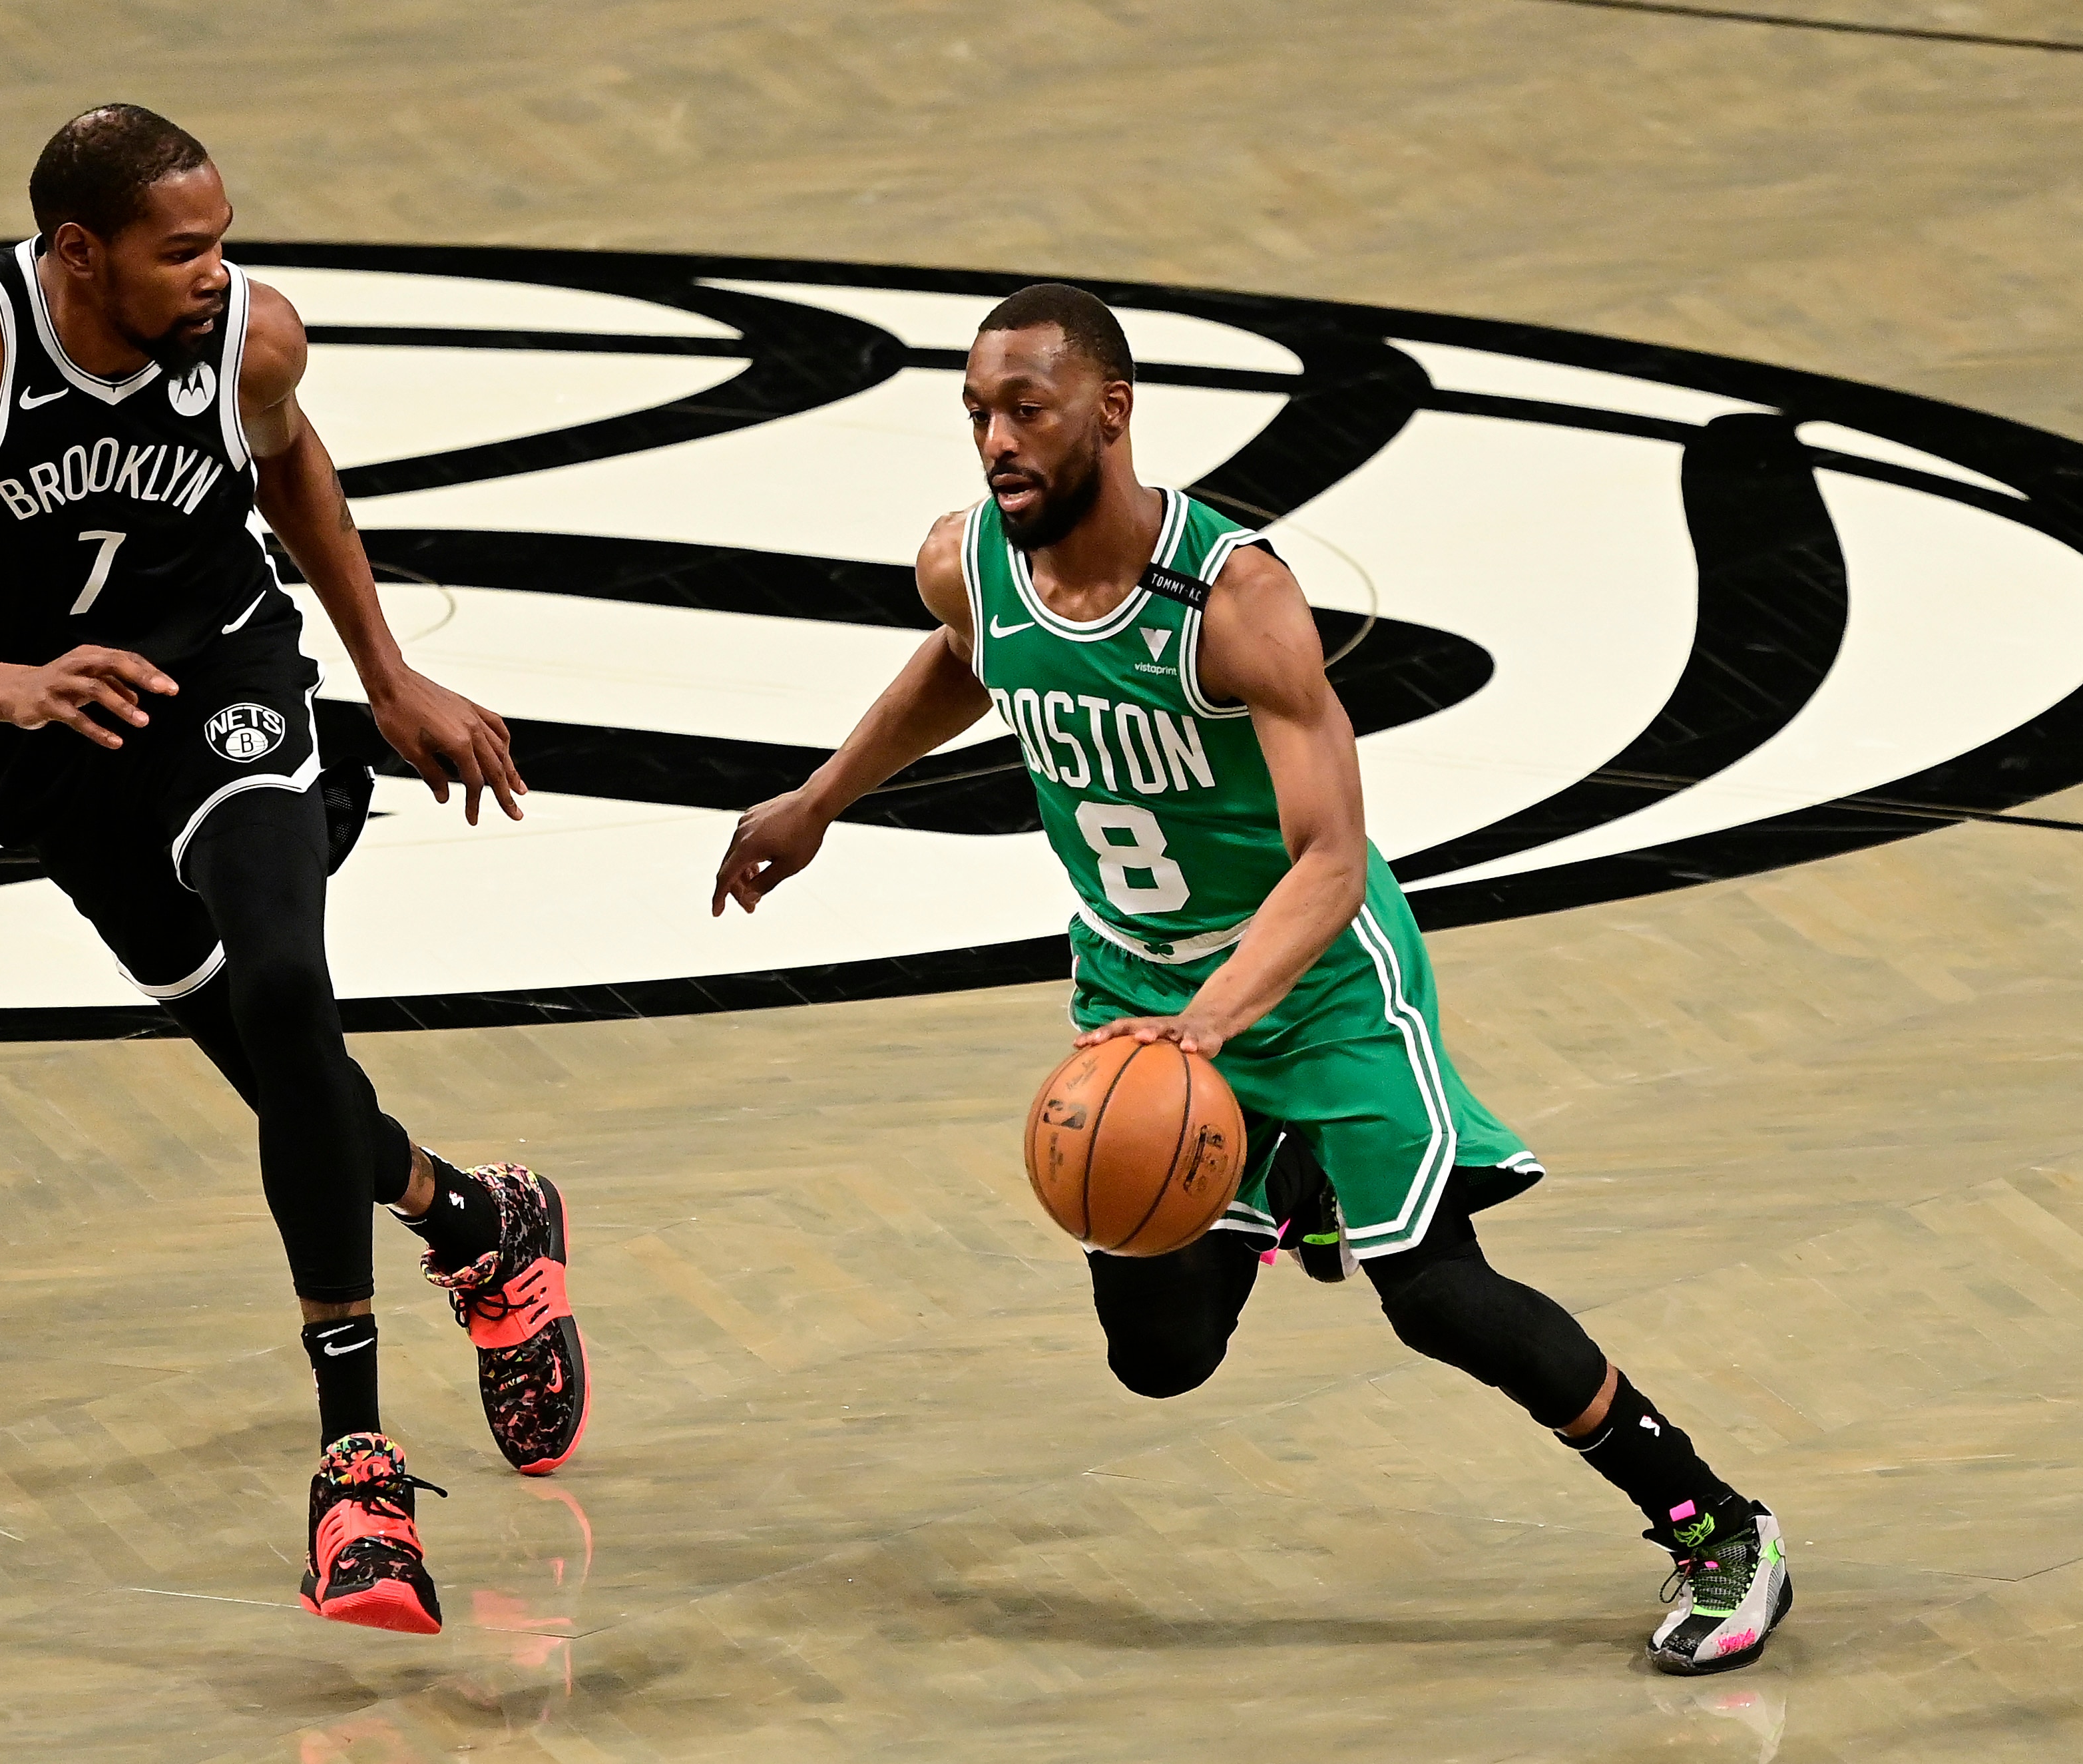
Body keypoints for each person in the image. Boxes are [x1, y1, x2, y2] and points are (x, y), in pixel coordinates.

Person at [710, 282, 1789, 1675]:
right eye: (975, 412)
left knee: (1432, 1288)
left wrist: (1206, 1031)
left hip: (1318, 984)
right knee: (1157, 1355)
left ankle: (1715, 1523)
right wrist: (820, 798)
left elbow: (1333, 857)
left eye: (1025, 409)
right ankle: (1284, 1186)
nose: (994, 441)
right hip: (1133, 989)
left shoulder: (1233, 602)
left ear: (1110, 410)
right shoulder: (964, 562)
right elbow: (968, 663)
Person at [0, 104, 588, 1636]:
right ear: (77, 253)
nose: (220, 272)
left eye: (222, 237)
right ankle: (477, 1221)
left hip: (229, 687)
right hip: (56, 743)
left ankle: (355, 1464)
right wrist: (4, 687)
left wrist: (388, 672)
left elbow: (292, 473)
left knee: (288, 989)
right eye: (184, 249)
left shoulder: (254, 338)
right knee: (286, 1078)